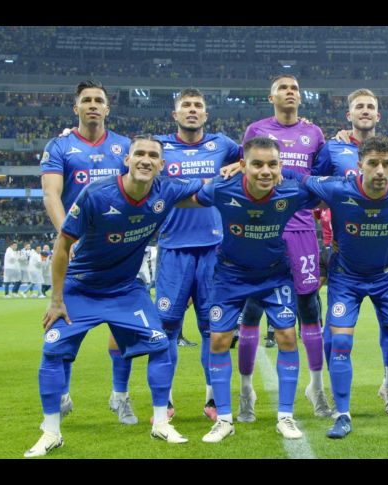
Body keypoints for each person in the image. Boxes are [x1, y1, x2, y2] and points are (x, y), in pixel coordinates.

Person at [24, 135, 206, 457]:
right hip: (82, 287)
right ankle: (51, 432)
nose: (146, 159)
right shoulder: (96, 194)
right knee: (52, 350)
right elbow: (63, 245)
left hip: (124, 288)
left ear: (161, 165)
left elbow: (208, 187)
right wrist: (56, 299)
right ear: (127, 159)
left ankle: (161, 422)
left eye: (153, 156)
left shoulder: (166, 190)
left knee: (160, 343)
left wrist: (239, 170)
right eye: (140, 153)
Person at [301, 135, 388, 439]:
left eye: (386, 164)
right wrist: (247, 168)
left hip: (386, 277)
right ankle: (342, 416)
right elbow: (299, 177)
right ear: (360, 164)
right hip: (345, 279)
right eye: (373, 163)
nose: (380, 170)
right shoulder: (339, 188)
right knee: (340, 342)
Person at [194, 137, 322, 443]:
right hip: (230, 276)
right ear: (242, 165)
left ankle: (285, 416)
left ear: (281, 167)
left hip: (274, 274)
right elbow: (186, 198)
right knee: (219, 340)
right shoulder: (222, 189)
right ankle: (224, 419)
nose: (265, 171)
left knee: (287, 336)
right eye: (257, 164)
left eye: (272, 164)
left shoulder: (292, 192)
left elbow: (332, 195)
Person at [225, 75, 331, 420]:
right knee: (253, 307)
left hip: (301, 229)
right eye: (283, 88)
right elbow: (242, 171)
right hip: (264, 229)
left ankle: (316, 387)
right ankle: (246, 391)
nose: (290, 92)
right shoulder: (256, 130)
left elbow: (321, 180)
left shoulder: (314, 133)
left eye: (295, 88)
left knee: (309, 307)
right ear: (271, 97)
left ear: (300, 97)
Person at [40, 80, 135, 425]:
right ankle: (62, 394)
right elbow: (51, 194)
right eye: (86, 100)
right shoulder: (60, 146)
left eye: (98, 100)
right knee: (66, 323)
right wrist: (68, 236)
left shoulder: (125, 147)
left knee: (122, 328)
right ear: (76, 108)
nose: (93, 104)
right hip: (77, 251)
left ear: (107, 108)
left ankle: (119, 396)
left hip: (118, 252)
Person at [152, 87, 242, 423]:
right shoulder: (159, 147)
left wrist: (239, 167)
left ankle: (213, 399)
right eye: (186, 105)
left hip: (214, 248)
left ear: (206, 114)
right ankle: (164, 401)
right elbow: (126, 161)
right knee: (166, 327)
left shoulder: (223, 145)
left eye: (198, 106)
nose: (192, 110)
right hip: (173, 247)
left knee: (213, 327)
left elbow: (257, 155)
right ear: (174, 114)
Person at [312, 88, 388, 414]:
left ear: (378, 115)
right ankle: (325, 389)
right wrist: (323, 227)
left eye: (370, 106)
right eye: (359, 106)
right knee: (335, 331)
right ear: (349, 114)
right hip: (343, 255)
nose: (365, 111)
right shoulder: (332, 148)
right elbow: (314, 189)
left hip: (382, 254)